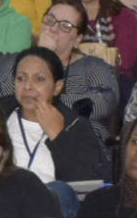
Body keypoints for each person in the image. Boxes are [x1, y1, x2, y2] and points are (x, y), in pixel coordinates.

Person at [6, 48, 110, 185]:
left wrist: (59, 138)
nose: (27, 86)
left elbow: (87, 187)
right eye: (21, 78)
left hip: (55, 202)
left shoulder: (77, 127)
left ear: (57, 87)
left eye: (39, 79)